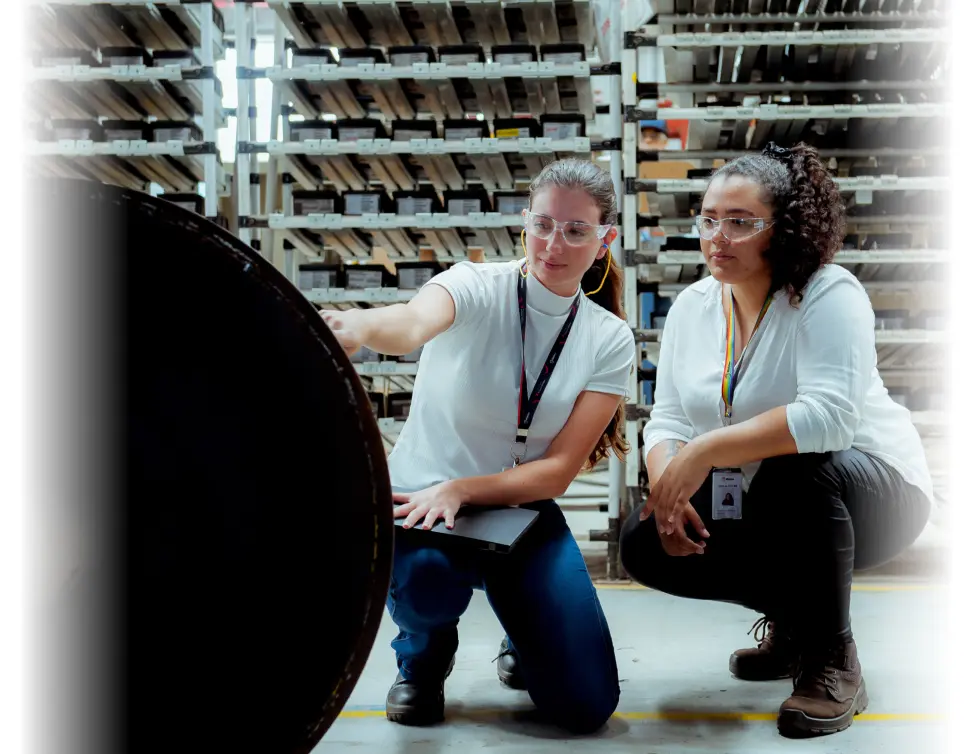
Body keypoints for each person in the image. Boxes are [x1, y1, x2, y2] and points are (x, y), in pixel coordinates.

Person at [618, 142, 933, 739]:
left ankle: (832, 660)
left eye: (741, 222)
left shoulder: (825, 292)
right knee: (643, 542)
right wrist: (668, 481)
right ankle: (794, 624)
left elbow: (831, 419)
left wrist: (705, 452)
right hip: (769, 500)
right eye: (709, 219)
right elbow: (666, 419)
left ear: (781, 229)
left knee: (800, 470)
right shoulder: (692, 306)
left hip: (875, 495)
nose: (718, 236)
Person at [322, 159, 636, 733]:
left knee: (585, 706)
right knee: (429, 582)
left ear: (604, 238)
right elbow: (412, 323)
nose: (553, 244)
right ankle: (423, 658)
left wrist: (464, 489)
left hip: (516, 509)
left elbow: (558, 471)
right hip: (419, 503)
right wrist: (364, 326)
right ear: (524, 222)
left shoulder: (608, 338)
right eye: (543, 224)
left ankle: (525, 635)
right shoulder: (475, 285)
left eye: (575, 230)